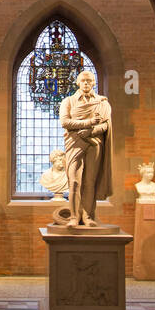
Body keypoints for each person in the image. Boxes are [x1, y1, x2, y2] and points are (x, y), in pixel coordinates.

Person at [58, 70, 113, 227]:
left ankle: (88, 216)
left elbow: (106, 125)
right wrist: (88, 123)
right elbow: (65, 122)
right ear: (78, 83)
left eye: (89, 80)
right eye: (83, 80)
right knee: (74, 181)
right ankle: (74, 217)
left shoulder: (103, 103)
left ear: (94, 83)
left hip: (94, 143)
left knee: (90, 181)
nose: (86, 83)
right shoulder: (68, 101)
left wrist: (91, 131)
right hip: (74, 144)